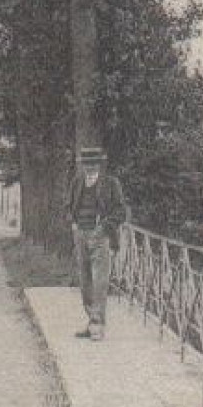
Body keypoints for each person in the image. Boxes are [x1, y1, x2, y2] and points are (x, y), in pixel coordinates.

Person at [67, 146, 129, 341]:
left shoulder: (111, 184)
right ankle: (91, 320)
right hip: (80, 236)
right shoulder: (77, 182)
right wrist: (73, 223)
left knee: (100, 282)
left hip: (100, 237)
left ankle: (97, 325)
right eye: (87, 164)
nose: (90, 167)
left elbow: (121, 212)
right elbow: (68, 206)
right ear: (82, 165)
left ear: (100, 165)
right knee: (85, 282)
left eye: (94, 164)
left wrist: (104, 227)